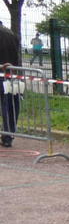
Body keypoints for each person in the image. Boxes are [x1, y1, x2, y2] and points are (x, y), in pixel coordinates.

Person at [0, 20, 21, 148]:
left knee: (8, 105)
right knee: (10, 106)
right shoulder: (11, 33)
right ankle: (8, 136)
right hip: (11, 74)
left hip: (3, 72)